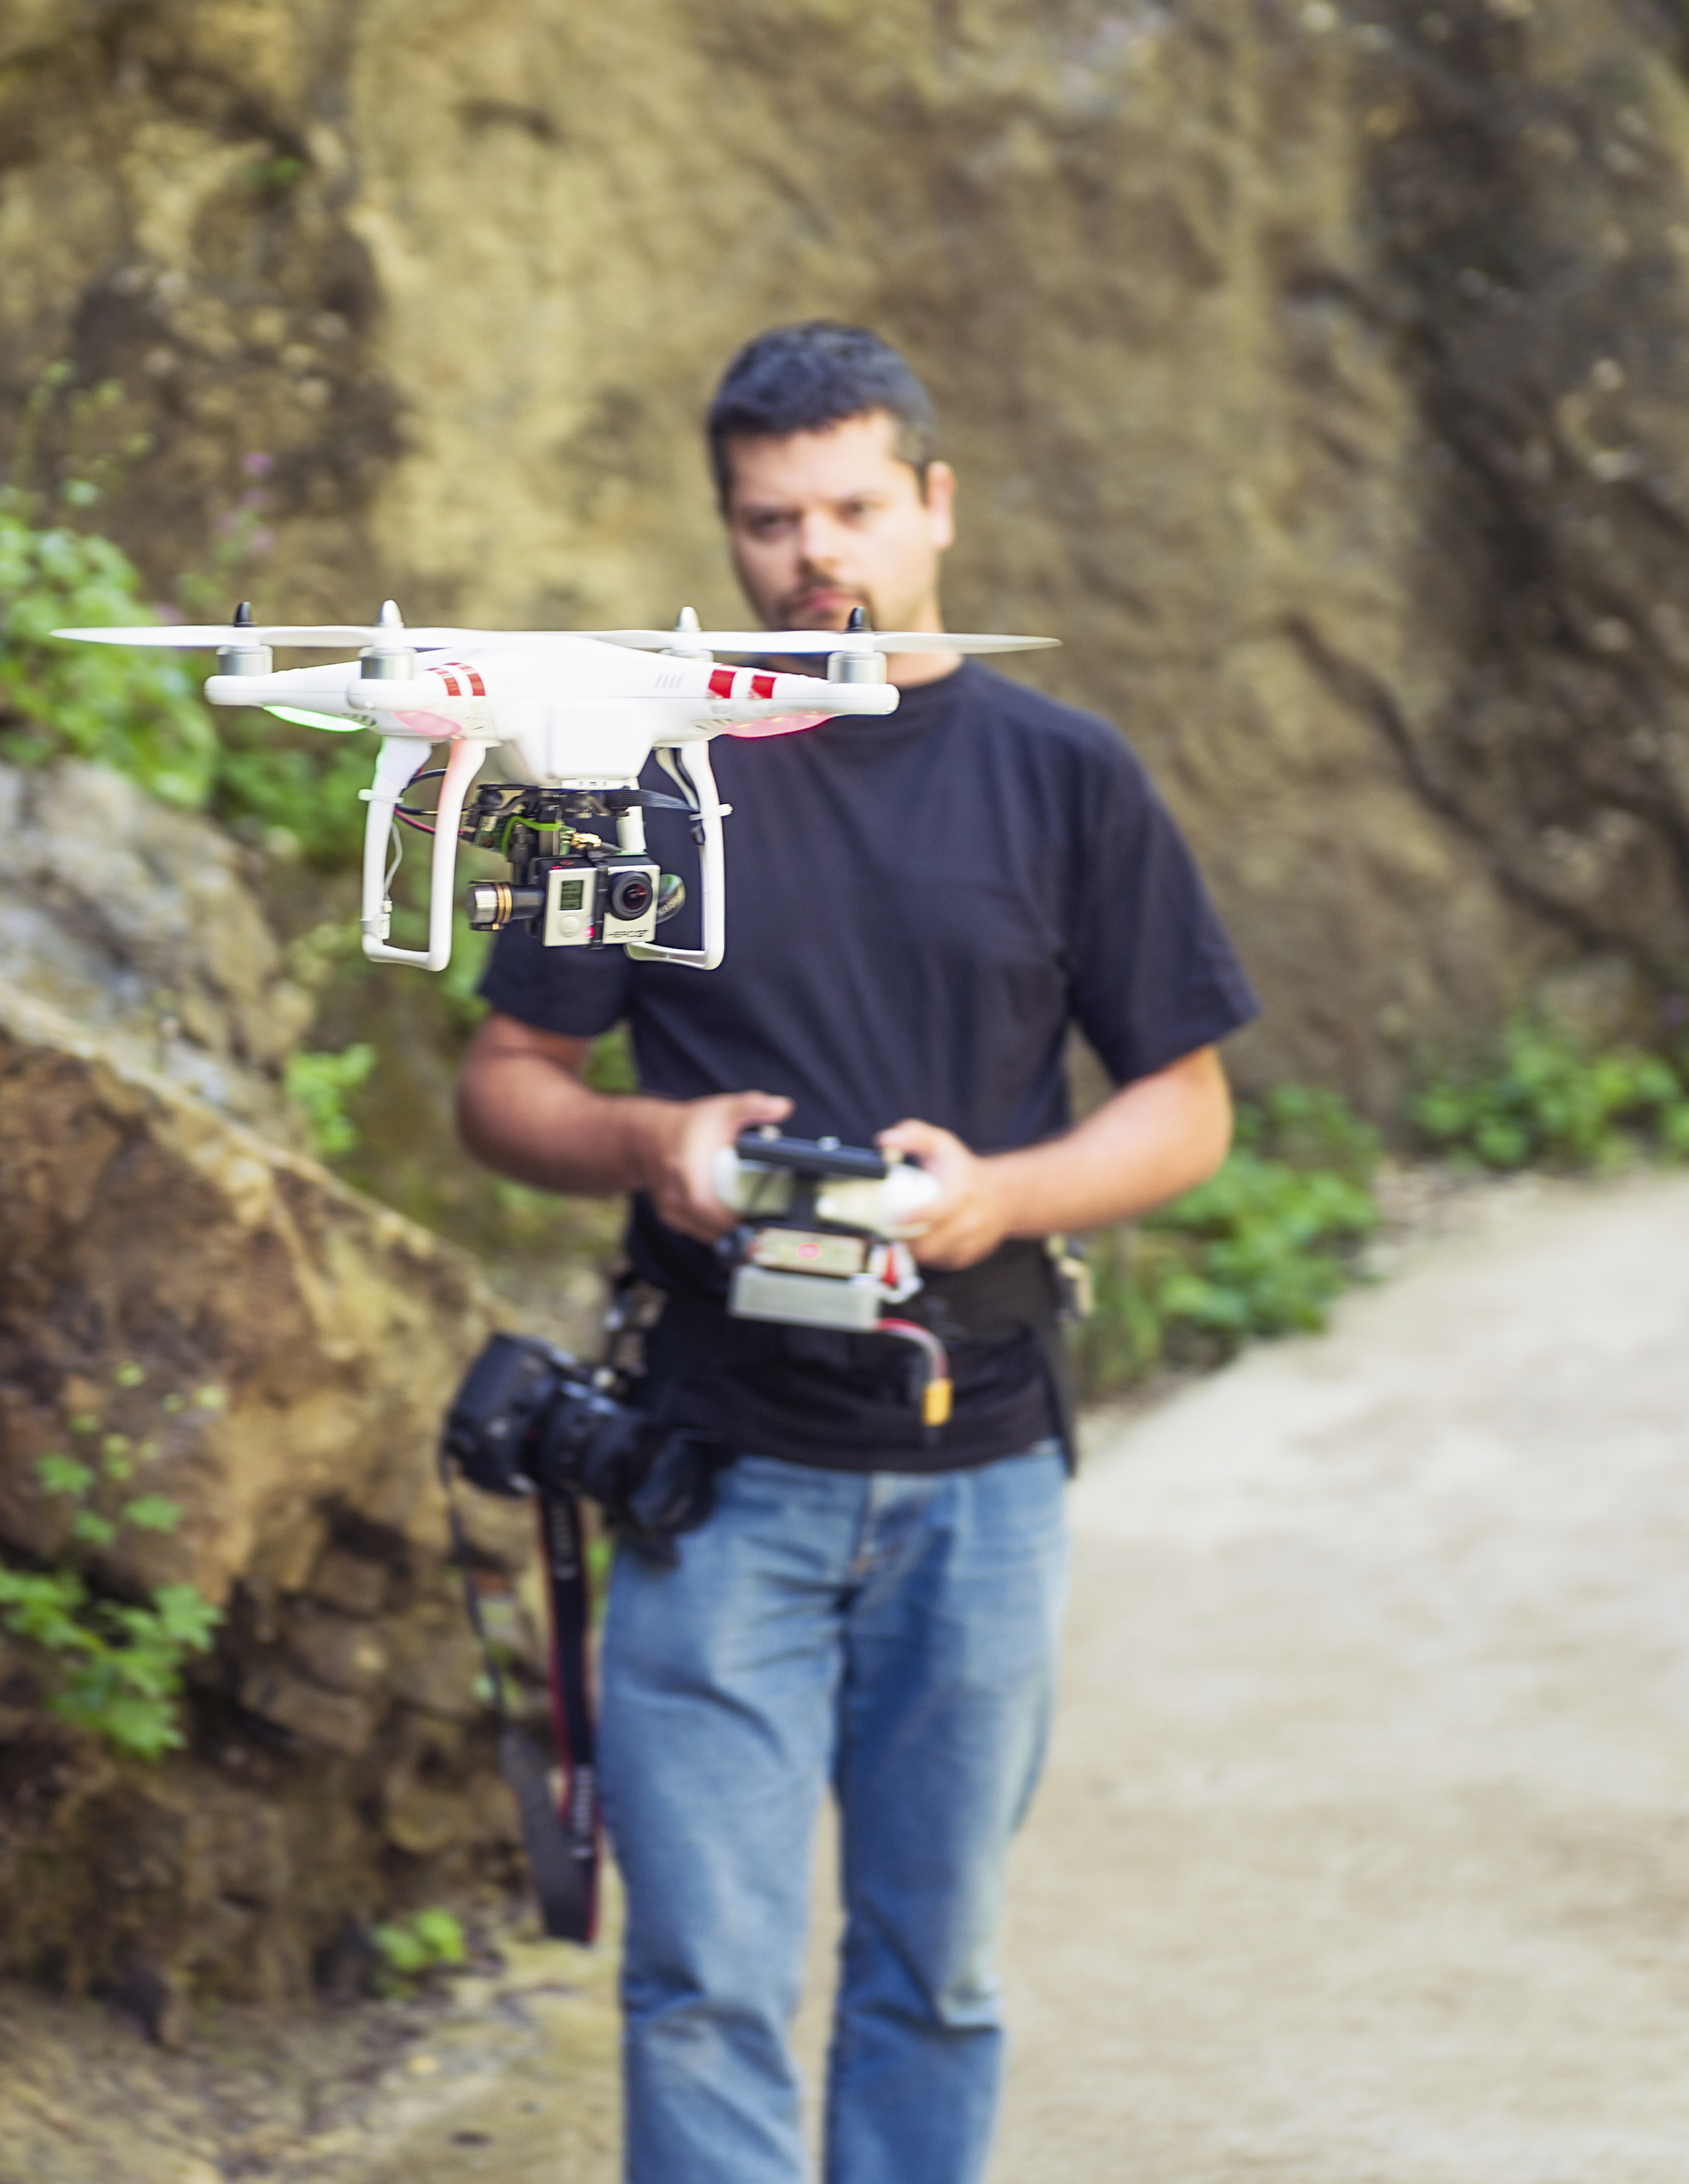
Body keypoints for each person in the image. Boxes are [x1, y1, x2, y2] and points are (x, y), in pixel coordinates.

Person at [454, 322, 1260, 2184]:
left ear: (934, 506)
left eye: (851, 510)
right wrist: (649, 1138)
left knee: (935, 1973)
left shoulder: (1067, 776)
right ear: (722, 529)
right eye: (767, 521)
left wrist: (1001, 1194)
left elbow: (1188, 1107)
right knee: (702, 1978)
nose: (814, 555)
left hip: (977, 1469)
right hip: (710, 1465)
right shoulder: (617, 764)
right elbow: (503, 1089)